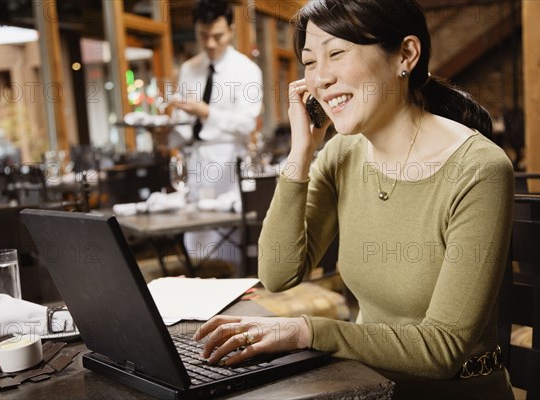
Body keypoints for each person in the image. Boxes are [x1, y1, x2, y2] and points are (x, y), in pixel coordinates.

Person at [193, 1, 515, 399]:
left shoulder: (479, 168)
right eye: (309, 61)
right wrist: (301, 154)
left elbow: (442, 348)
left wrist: (309, 330)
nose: (320, 78)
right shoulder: (342, 153)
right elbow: (278, 274)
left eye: (337, 53)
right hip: (362, 386)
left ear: (406, 55)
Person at [167, 0, 263, 268]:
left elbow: (246, 124)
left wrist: (206, 112)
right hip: (197, 164)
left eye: (217, 36)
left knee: (227, 247)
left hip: (228, 167)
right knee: (195, 245)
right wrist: (166, 135)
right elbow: (185, 126)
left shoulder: (246, 71)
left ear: (231, 29)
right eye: (203, 36)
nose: (210, 44)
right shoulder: (189, 68)